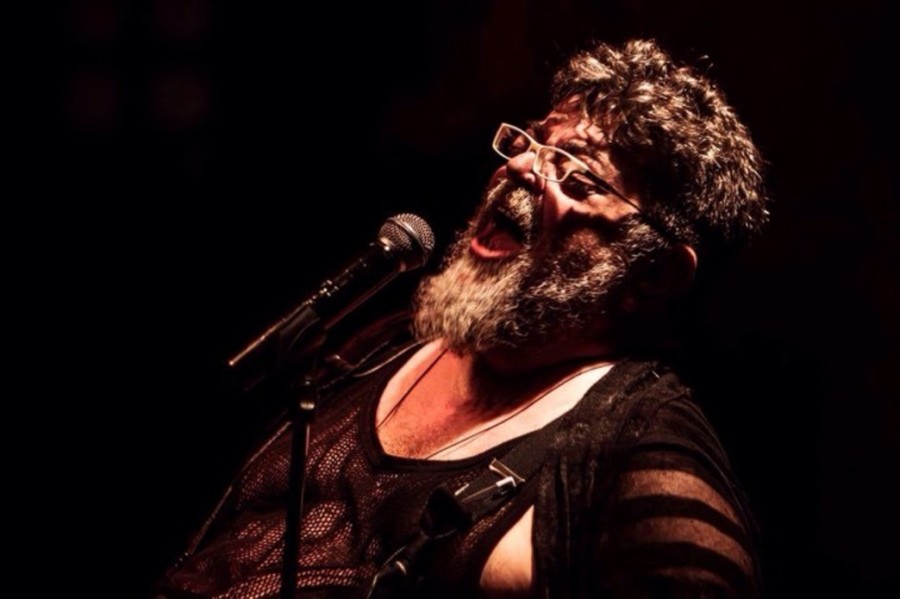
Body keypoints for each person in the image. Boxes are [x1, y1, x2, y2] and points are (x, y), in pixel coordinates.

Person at [156, 38, 769, 598]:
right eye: (532, 143)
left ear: (656, 273)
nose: (522, 168)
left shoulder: (645, 449)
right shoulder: (387, 344)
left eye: (576, 175)